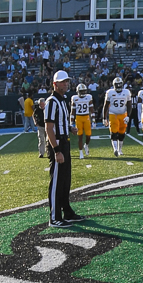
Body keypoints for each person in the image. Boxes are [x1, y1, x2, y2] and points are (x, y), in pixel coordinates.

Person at [43, 71, 85, 228]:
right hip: (57, 145)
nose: (65, 84)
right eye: (62, 82)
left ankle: (67, 211)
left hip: (65, 142)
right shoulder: (52, 102)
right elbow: (49, 128)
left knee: (65, 180)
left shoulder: (63, 100)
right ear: (55, 84)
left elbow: (60, 122)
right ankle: (54, 217)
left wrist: (70, 128)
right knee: (56, 182)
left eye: (66, 81)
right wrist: (57, 150)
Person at [103, 77, 131, 156]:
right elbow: (106, 105)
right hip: (113, 114)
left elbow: (129, 105)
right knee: (114, 132)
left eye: (119, 84)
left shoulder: (127, 92)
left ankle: (120, 149)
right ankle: (115, 149)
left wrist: (128, 116)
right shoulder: (110, 92)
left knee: (122, 133)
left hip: (123, 114)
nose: (118, 86)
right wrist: (104, 117)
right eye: (117, 84)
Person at [71, 83, 94, 159]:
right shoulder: (74, 98)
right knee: (80, 136)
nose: (83, 93)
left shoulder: (88, 97)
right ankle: (81, 152)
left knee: (88, 135)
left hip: (86, 117)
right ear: (78, 91)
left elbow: (91, 109)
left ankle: (86, 145)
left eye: (84, 91)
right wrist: (71, 122)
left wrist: (93, 120)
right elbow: (73, 111)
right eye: (81, 91)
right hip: (78, 118)